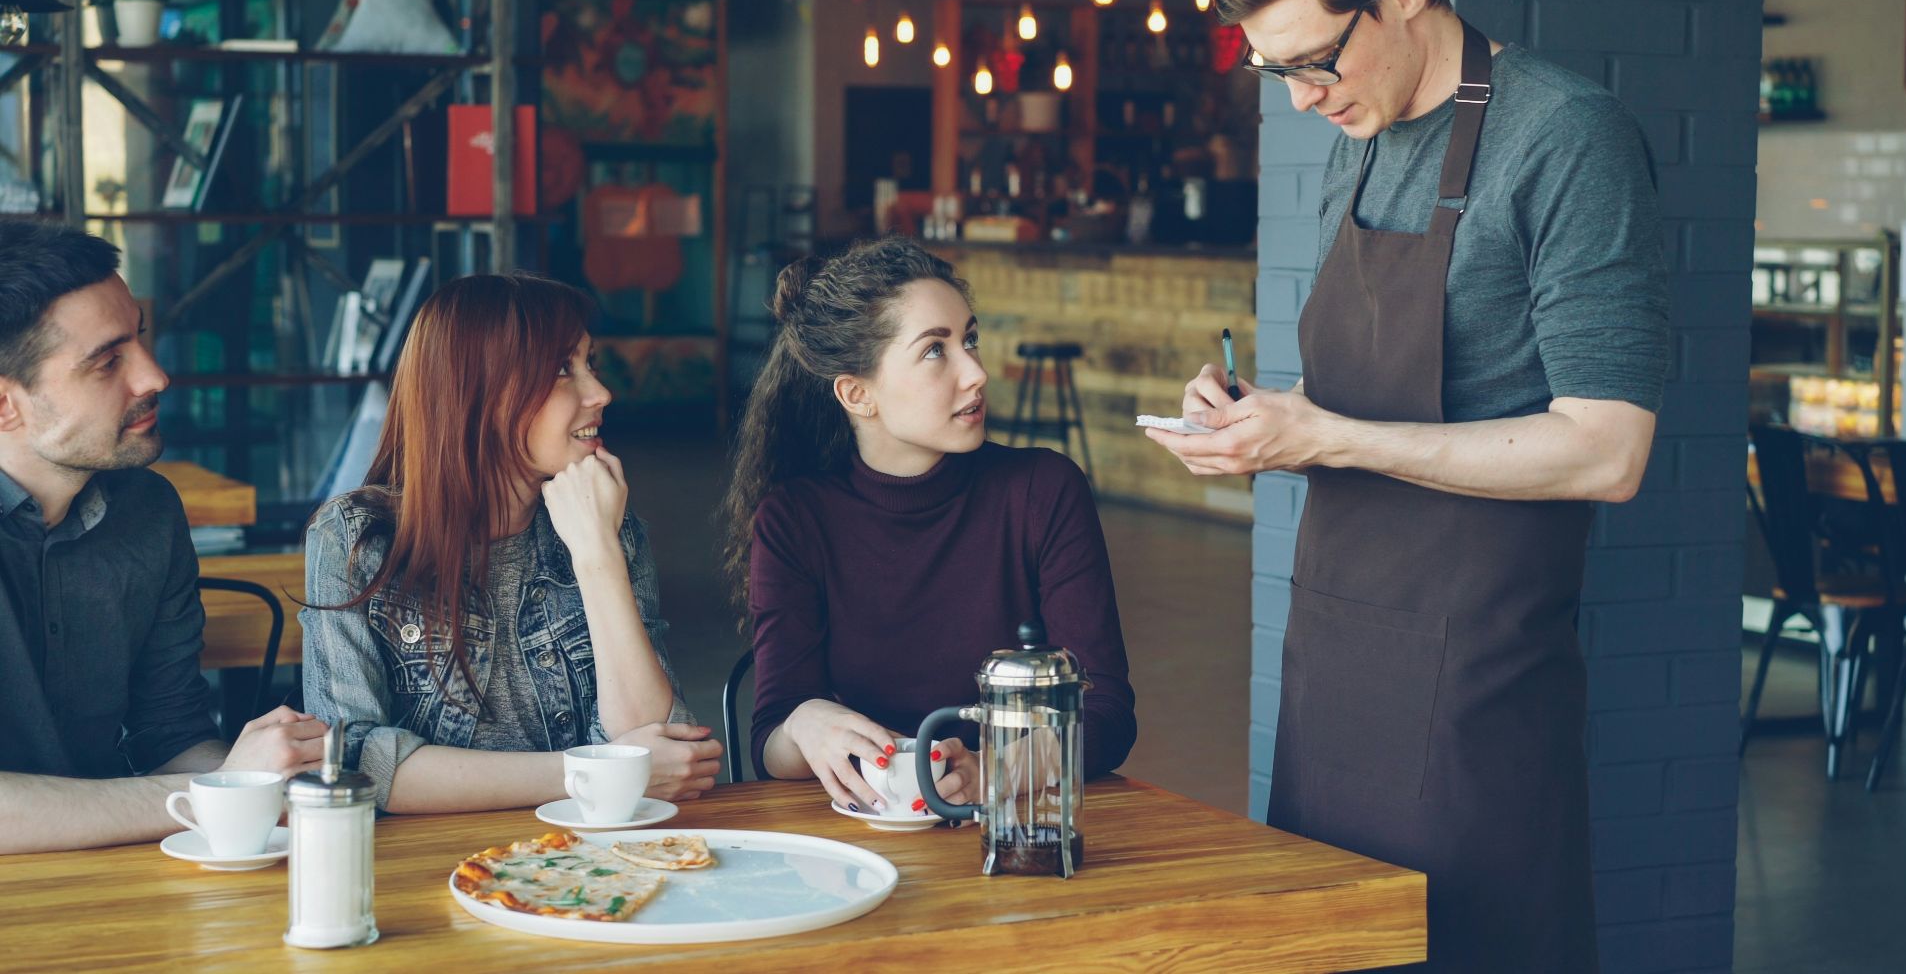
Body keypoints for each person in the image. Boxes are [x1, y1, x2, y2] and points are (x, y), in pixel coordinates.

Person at [1145, 0, 1669, 970]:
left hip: (1481, 670)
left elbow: (1609, 450)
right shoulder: (1362, 136)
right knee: (1330, 941)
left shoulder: (1568, 137)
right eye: (1271, 72)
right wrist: (1261, 421)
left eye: (1314, 62)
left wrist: (1327, 437)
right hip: (1336, 653)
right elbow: (1387, 389)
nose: (1300, 100)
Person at [722, 237, 1136, 814]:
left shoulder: (1043, 490)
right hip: (867, 837)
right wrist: (805, 723)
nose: (976, 373)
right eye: (936, 351)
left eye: (969, 340)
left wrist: (994, 772)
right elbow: (770, 742)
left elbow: (1106, 712)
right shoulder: (795, 520)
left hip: (1016, 829)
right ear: (856, 394)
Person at [301, 273, 720, 813]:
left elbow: (659, 749)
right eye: (561, 370)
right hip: (431, 867)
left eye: (589, 364)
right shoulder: (357, 540)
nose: (600, 392)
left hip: (582, 863)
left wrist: (597, 558)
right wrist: (583, 774)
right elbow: (348, 762)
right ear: (480, 393)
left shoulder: (603, 523)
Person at [0, 222, 326, 855]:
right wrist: (222, 790)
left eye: (139, 338)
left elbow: (171, 734)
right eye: (106, 361)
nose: (154, 376)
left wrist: (261, 791)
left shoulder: (146, 510)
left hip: (117, 879)